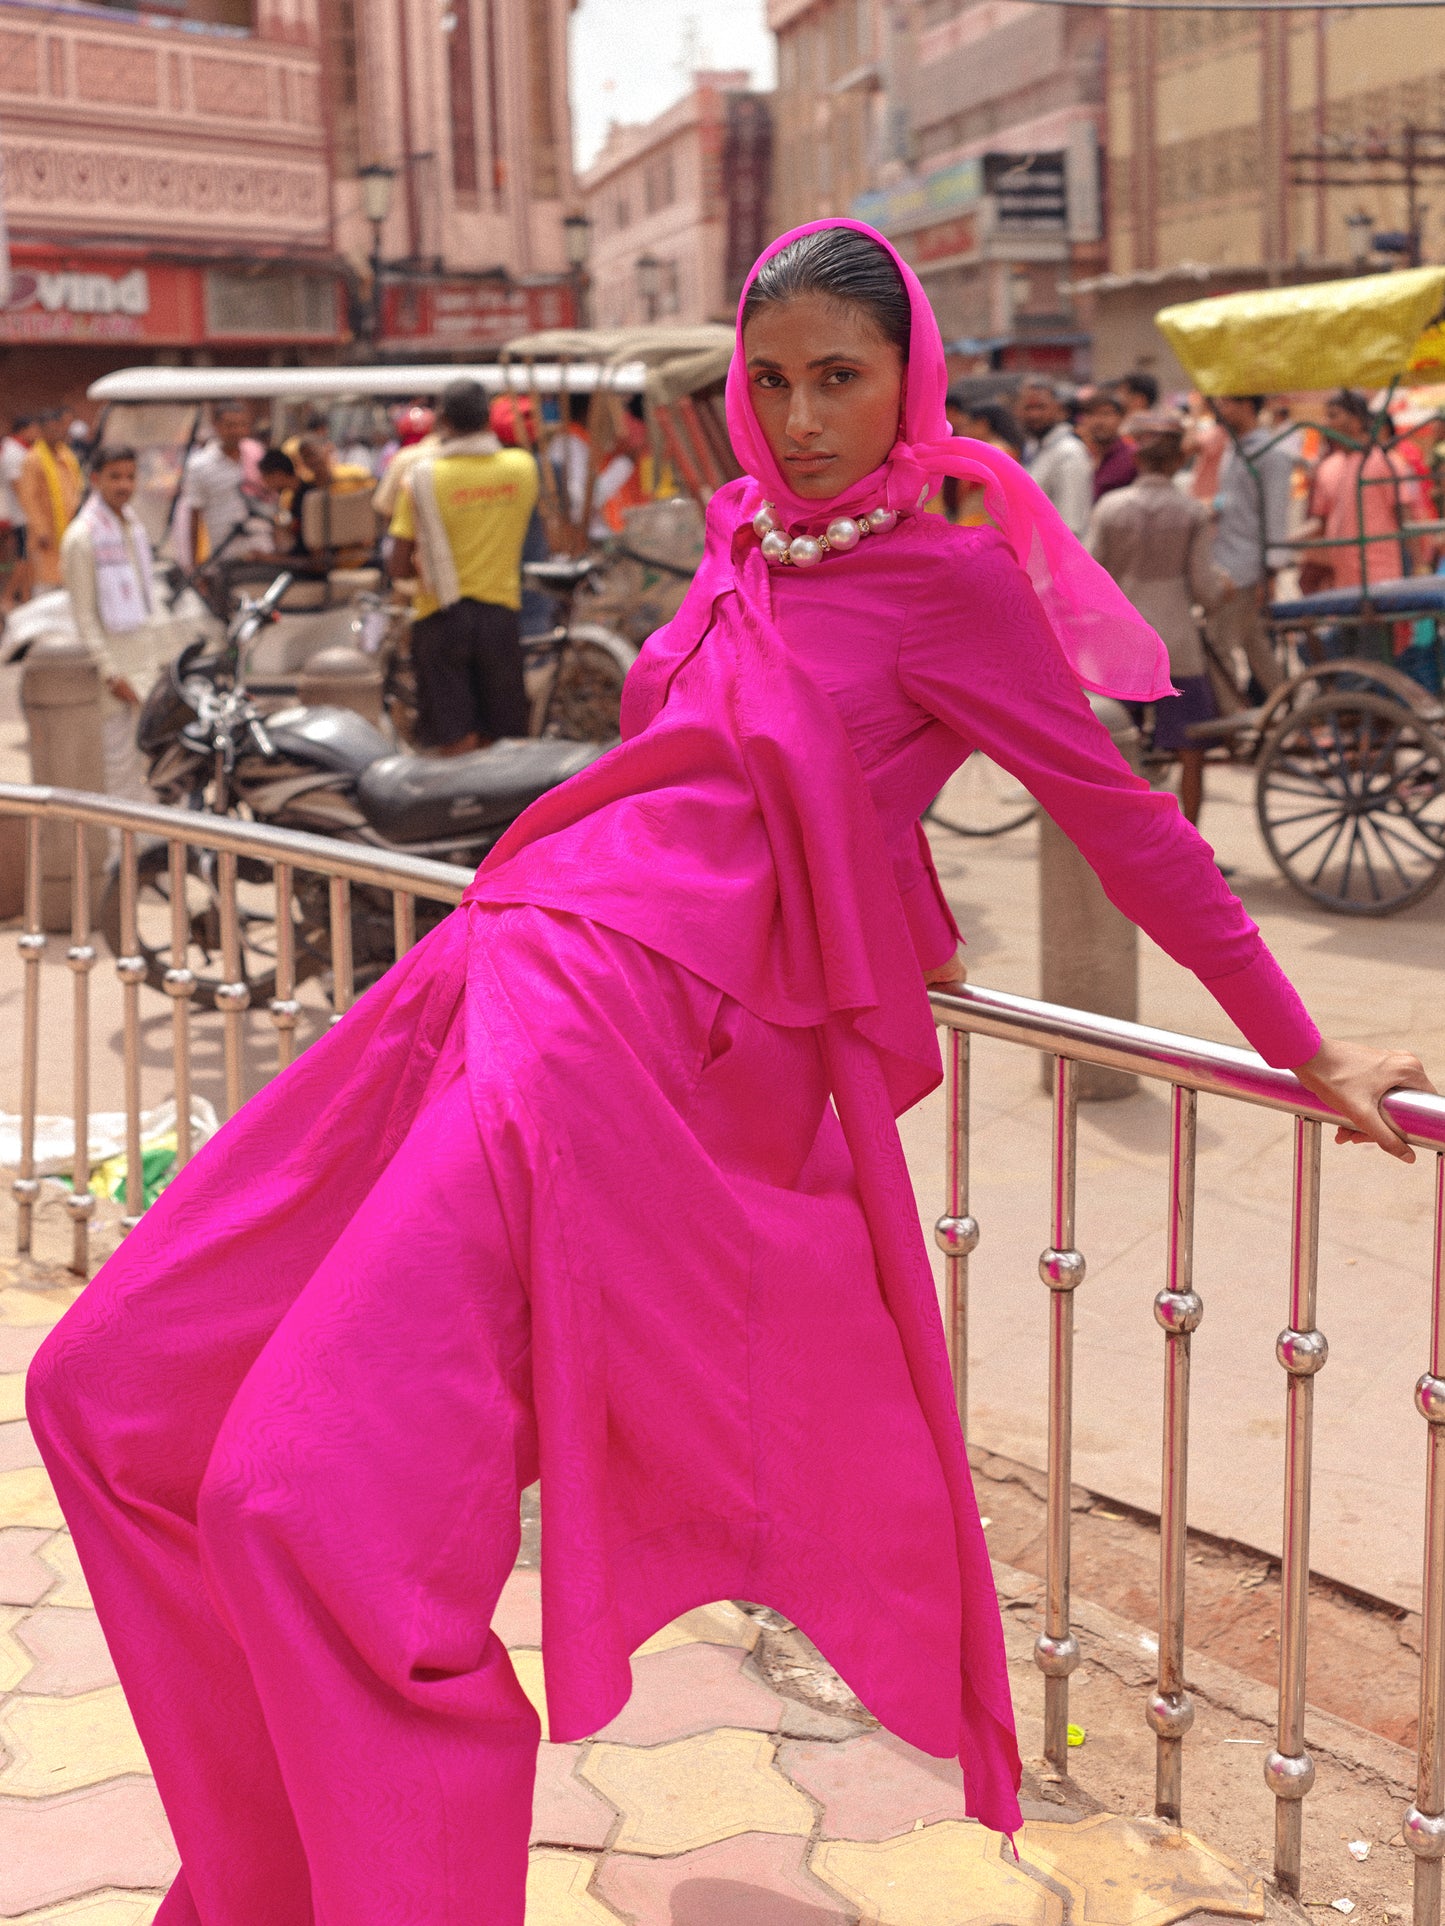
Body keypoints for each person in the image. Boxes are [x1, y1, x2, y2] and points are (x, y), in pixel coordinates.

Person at [26, 221, 1435, 1926]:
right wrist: (883, 903)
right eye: (771, 381)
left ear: (910, 378)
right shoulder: (738, 549)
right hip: (492, 968)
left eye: (841, 377)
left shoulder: (954, 584)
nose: (802, 417)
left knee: (301, 1499)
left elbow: (1126, 822)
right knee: (108, 1390)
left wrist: (1301, 1043)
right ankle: (256, 1884)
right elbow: (730, 784)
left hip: (609, 1049)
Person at [387, 377, 537, 755]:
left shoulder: (422, 478)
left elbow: (398, 565)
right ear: (488, 419)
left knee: (455, 742)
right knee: (502, 740)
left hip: (440, 620)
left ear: (444, 422)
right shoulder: (522, 468)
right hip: (501, 618)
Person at [1087, 411, 1217, 823]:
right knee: (1191, 749)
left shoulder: (1111, 507)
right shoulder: (1193, 512)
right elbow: (1203, 589)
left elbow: (1089, 573)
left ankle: (1130, 835)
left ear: (1138, 462)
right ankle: (1192, 841)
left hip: (1124, 642)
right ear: (1179, 462)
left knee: (1120, 745)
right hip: (1177, 642)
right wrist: (1224, 591)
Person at [60, 444, 171, 802]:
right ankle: (119, 855)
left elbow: (145, 600)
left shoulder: (133, 527)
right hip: (116, 676)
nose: (124, 485)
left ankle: (147, 850)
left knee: (150, 764)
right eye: (115, 477)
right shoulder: (82, 537)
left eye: (130, 476)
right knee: (119, 767)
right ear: (95, 479)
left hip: (144, 665)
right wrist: (111, 673)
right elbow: (84, 615)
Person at [1205, 392, 1297, 705]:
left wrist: (1269, 572)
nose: (1220, 408)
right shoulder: (1234, 448)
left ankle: (1234, 717)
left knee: (1220, 643)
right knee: (1253, 642)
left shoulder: (1272, 454)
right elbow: (1231, 500)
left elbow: (1276, 516)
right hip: (1228, 558)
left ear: (1247, 405)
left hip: (1246, 566)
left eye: (1226, 401)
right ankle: (1288, 707)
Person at [1298, 388, 1426, 591]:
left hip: (1380, 580)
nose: (1327, 423)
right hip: (1342, 583)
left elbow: (1405, 516)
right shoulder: (1328, 467)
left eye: (1334, 416)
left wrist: (1420, 567)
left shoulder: (1384, 462)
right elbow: (1322, 523)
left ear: (1357, 421)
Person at [178, 402, 264, 568]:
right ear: (216, 426)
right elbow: (195, 515)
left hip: (263, 553)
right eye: (231, 425)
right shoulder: (200, 464)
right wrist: (195, 565)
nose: (237, 431)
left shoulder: (256, 454)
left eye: (242, 425)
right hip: (225, 555)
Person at [1016, 376, 1094, 536]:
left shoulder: (1069, 452)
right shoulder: (1033, 446)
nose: (1034, 415)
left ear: (1059, 410)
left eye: (1040, 407)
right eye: (1028, 408)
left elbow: (1072, 524)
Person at [16, 408, 83, 589]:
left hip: (70, 528)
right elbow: (28, 498)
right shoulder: (33, 459)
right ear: (44, 430)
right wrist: (40, 529)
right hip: (47, 535)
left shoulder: (66, 456)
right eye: (55, 428)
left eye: (62, 428)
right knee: (46, 584)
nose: (60, 432)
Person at [0, 414, 36, 612]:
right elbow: (17, 484)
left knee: (24, 556)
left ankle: (25, 597)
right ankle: (7, 596)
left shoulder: (18, 449)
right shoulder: (14, 451)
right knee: (24, 555)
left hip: (19, 511)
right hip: (19, 513)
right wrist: (32, 508)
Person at [1076, 387, 1137, 500]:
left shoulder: (1133, 457)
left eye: (1106, 414)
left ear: (1122, 418)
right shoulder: (1079, 455)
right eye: (1091, 414)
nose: (1098, 421)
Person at [1116, 370, 1159, 437]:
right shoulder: (1156, 420)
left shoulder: (1137, 421)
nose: (1116, 398)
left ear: (1139, 399)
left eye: (1122, 393)